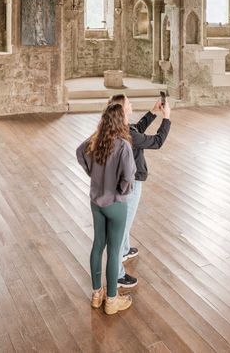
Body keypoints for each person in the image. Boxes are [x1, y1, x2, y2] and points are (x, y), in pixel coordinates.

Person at [76, 102, 136, 314]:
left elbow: (79, 151)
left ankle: (96, 294)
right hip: (115, 203)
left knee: (98, 244)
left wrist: (92, 173)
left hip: (96, 203)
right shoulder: (123, 146)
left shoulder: (95, 141)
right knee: (114, 251)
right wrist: (122, 190)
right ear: (121, 122)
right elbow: (129, 176)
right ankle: (111, 300)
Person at [107, 92, 171, 289]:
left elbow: (137, 129)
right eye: (129, 103)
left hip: (121, 181)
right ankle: (117, 276)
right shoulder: (128, 135)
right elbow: (157, 141)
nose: (131, 104)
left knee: (124, 223)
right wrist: (166, 118)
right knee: (122, 227)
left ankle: (125, 250)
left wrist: (153, 113)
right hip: (131, 184)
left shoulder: (118, 128)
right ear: (123, 110)